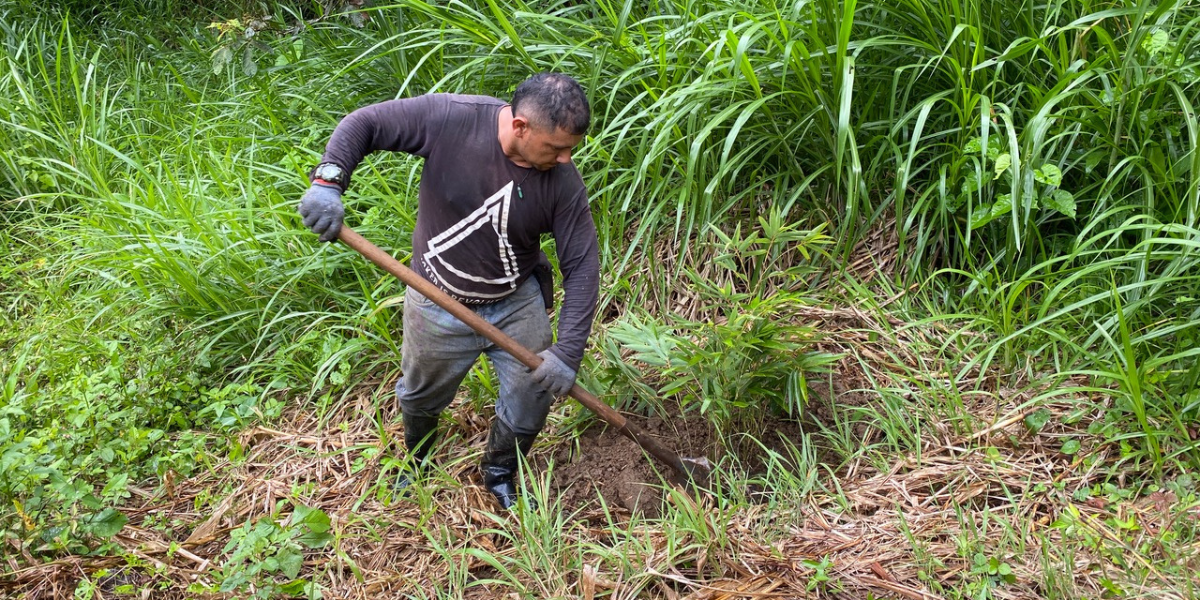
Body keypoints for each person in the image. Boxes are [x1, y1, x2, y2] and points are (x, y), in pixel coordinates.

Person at [297, 73, 599, 510]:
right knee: (421, 393)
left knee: (532, 394)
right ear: (520, 128)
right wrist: (328, 181)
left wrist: (568, 352)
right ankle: (418, 461)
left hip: (515, 301)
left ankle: (500, 473)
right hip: (435, 299)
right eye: (556, 147)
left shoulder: (562, 182)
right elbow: (365, 123)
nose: (566, 158)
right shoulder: (452, 120)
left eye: (571, 147)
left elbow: (582, 264)